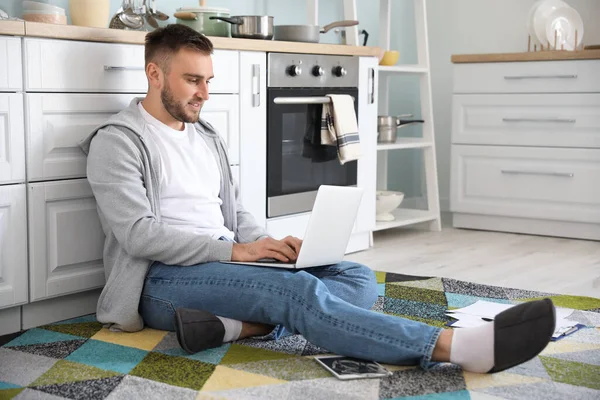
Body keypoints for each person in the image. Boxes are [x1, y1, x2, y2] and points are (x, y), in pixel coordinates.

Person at [80, 24, 556, 374]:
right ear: (154, 74)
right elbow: (137, 235)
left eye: (208, 79)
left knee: (354, 275)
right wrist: (237, 251)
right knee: (299, 293)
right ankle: (454, 347)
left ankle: (238, 327)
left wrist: (267, 245)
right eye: (193, 80)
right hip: (163, 282)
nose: (206, 92)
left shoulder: (204, 135)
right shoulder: (117, 141)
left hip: (226, 265)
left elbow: (233, 211)